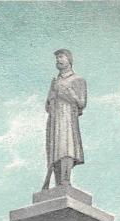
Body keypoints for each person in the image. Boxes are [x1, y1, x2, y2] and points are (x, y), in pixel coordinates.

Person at [43, 49, 87, 188]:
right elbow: (47, 105)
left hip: (67, 118)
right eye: (57, 58)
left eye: (61, 57)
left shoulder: (77, 79)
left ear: (69, 59)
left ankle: (65, 180)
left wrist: (67, 93)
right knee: (54, 151)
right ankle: (57, 183)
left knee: (66, 148)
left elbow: (81, 103)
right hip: (54, 119)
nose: (58, 60)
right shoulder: (54, 82)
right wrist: (50, 99)